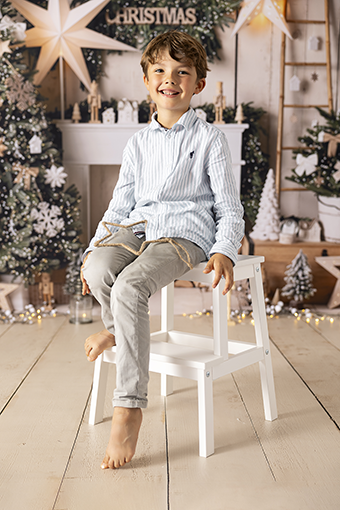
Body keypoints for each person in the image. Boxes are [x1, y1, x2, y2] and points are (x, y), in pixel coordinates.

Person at [80, 30, 244, 470]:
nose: (170, 79)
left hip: (185, 234)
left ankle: (128, 406)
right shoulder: (138, 143)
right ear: (148, 81)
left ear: (197, 85)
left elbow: (230, 206)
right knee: (98, 269)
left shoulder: (210, 139)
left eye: (182, 72)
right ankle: (117, 328)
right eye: (160, 71)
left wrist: (225, 248)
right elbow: (120, 204)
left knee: (132, 282)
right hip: (139, 227)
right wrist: (97, 244)